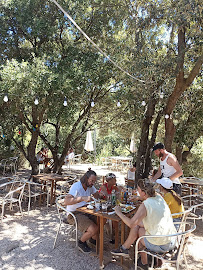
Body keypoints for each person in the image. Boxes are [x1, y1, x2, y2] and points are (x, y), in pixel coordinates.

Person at [111, 179, 177, 269]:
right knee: (139, 227)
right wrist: (139, 198)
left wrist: (119, 212)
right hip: (171, 239)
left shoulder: (146, 204)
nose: (137, 191)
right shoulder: (159, 197)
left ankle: (137, 258)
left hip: (161, 244)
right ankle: (126, 250)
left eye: (138, 190)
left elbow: (131, 224)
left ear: (143, 192)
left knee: (138, 231)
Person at [64, 169, 101, 254]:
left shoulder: (90, 186)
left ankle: (92, 238)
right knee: (93, 228)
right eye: (91, 181)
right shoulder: (76, 186)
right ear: (86, 178)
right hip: (73, 214)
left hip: (86, 211)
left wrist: (100, 195)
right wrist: (82, 198)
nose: (93, 183)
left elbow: (96, 195)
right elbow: (66, 201)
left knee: (101, 221)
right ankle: (81, 242)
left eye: (94, 181)